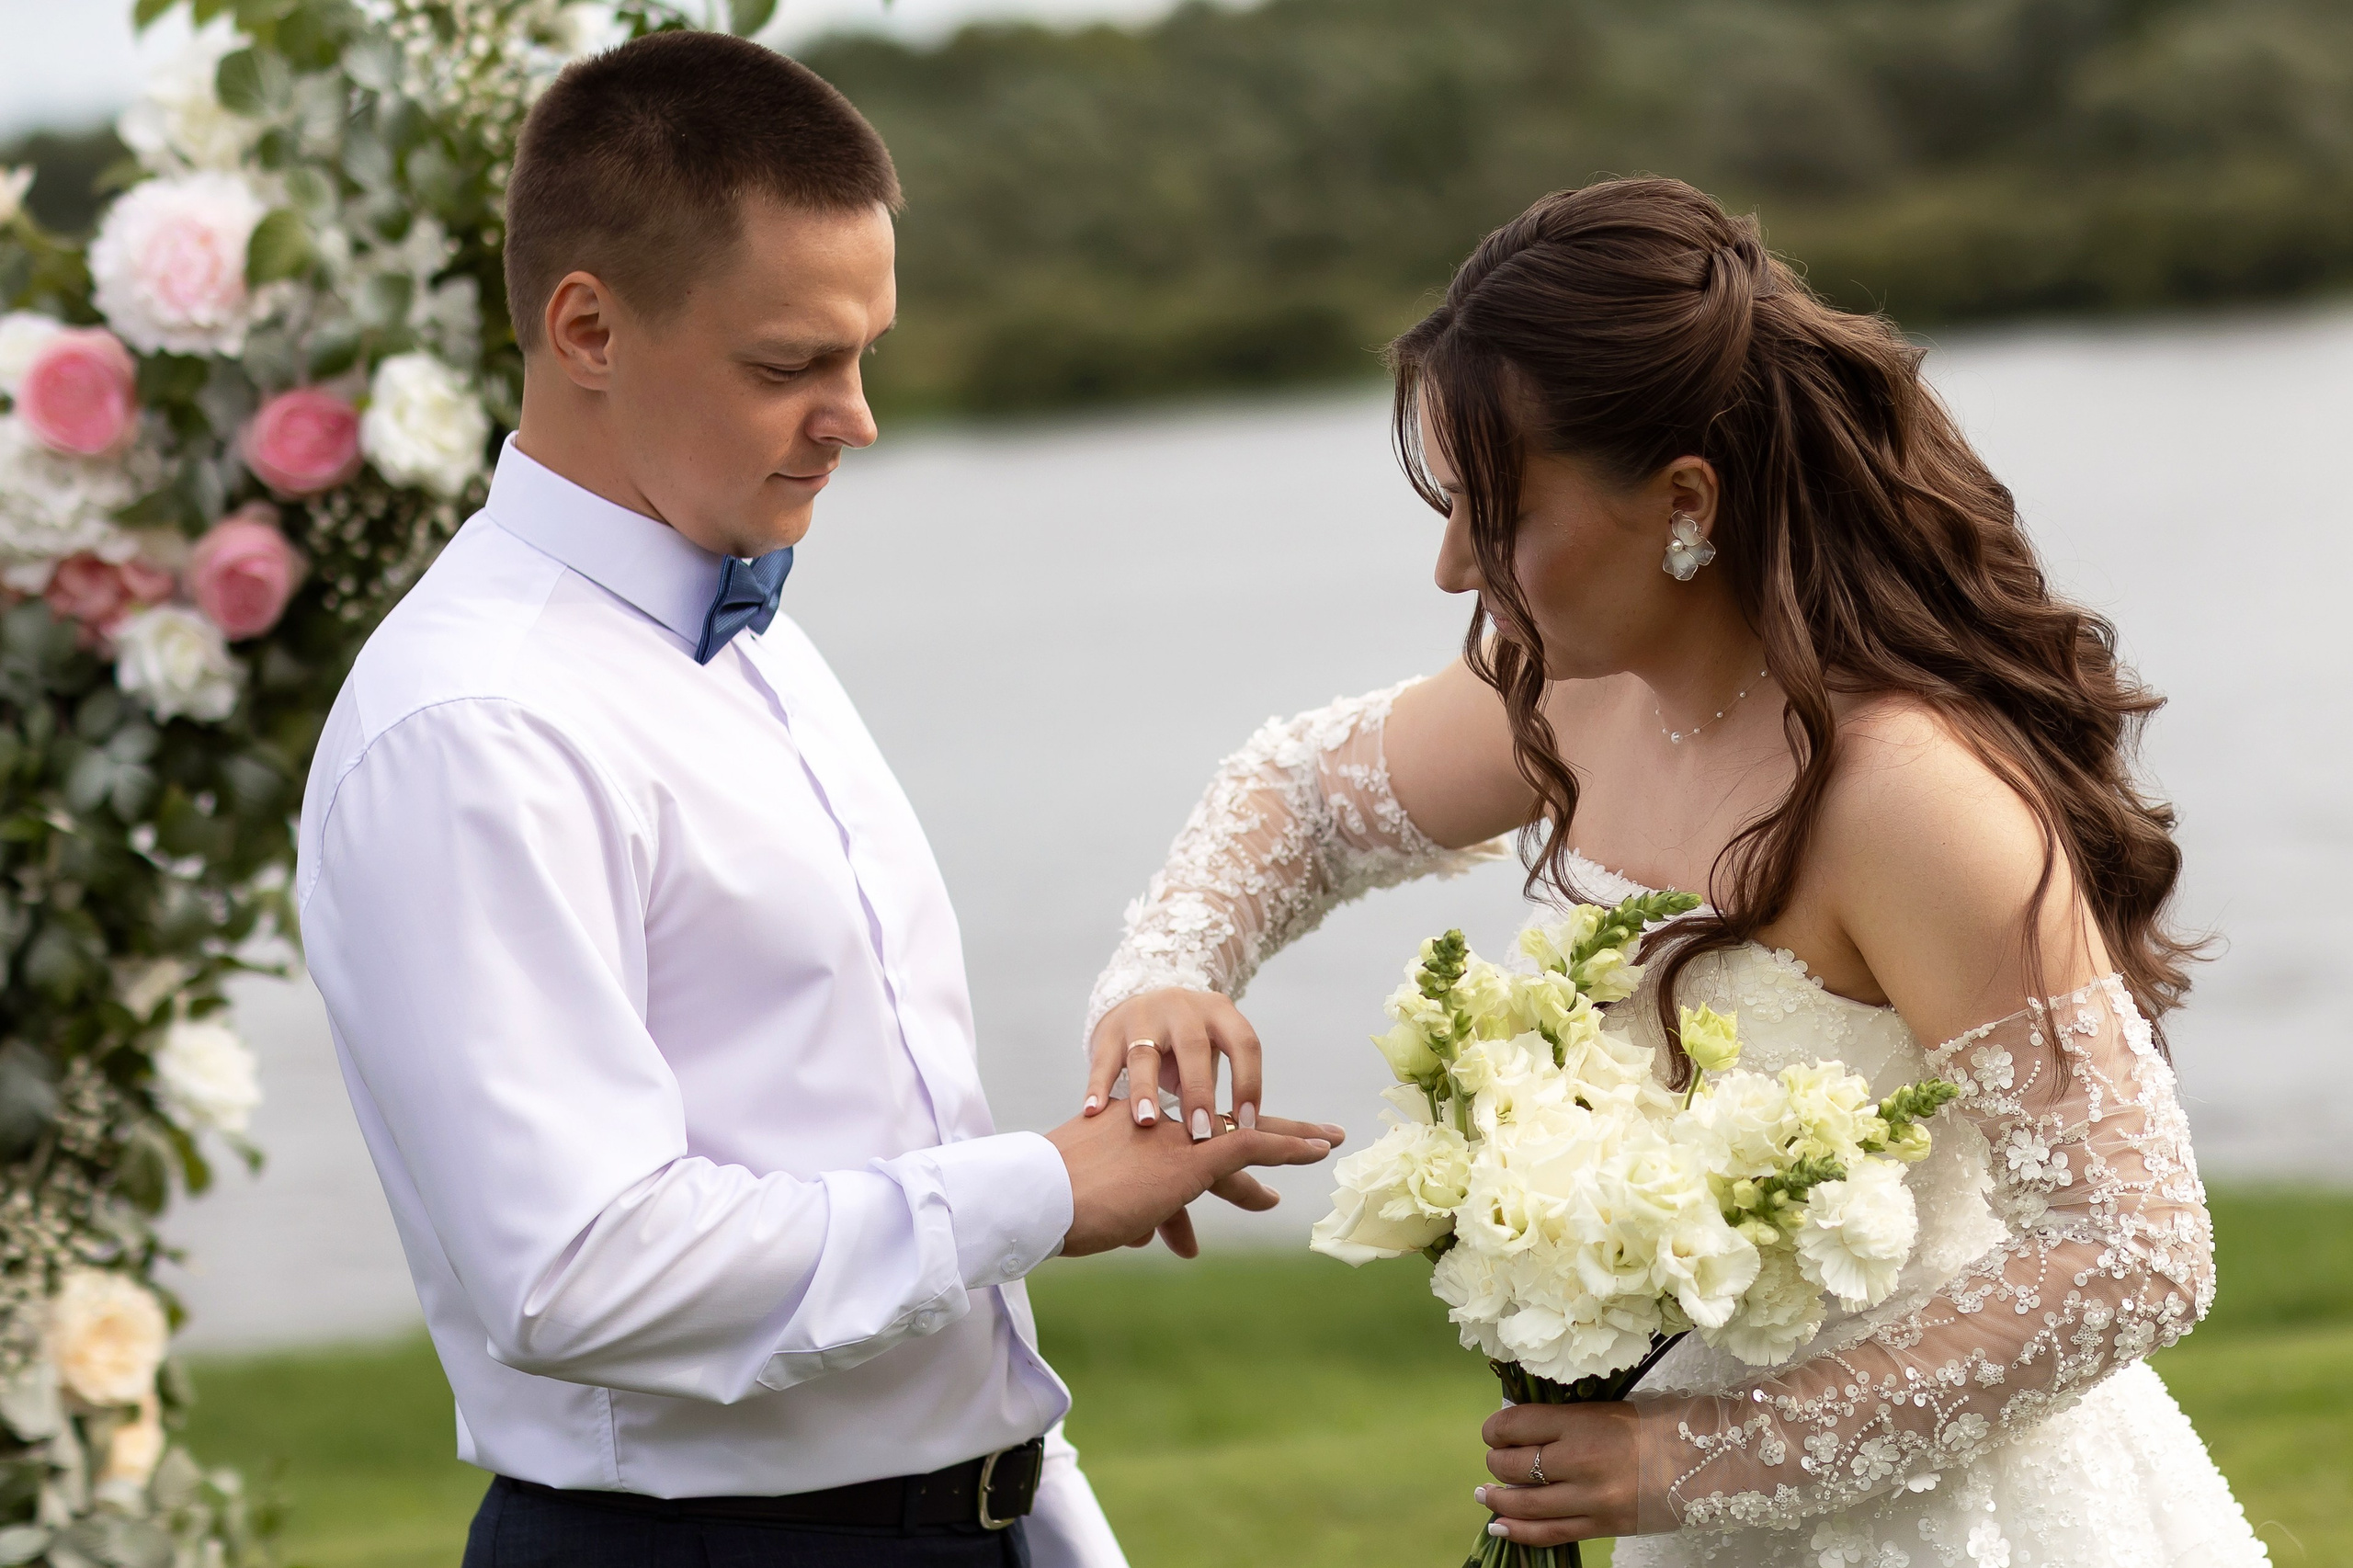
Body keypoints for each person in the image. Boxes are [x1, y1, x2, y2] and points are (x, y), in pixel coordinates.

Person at [1083, 177, 2271, 1566]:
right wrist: (1171, 972)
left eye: (1493, 510)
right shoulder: (1574, 696)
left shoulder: (1911, 798)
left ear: (1685, 501)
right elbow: (1296, 795)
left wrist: (1700, 1458)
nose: (1452, 564)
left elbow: (2129, 1251)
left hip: (1958, 1523)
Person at [294, 30, 1340, 1568]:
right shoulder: (476, 725)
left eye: (865, 353)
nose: (856, 416)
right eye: (790, 364)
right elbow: (577, 1268)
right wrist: (1041, 1186)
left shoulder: (754, 626)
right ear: (586, 326)